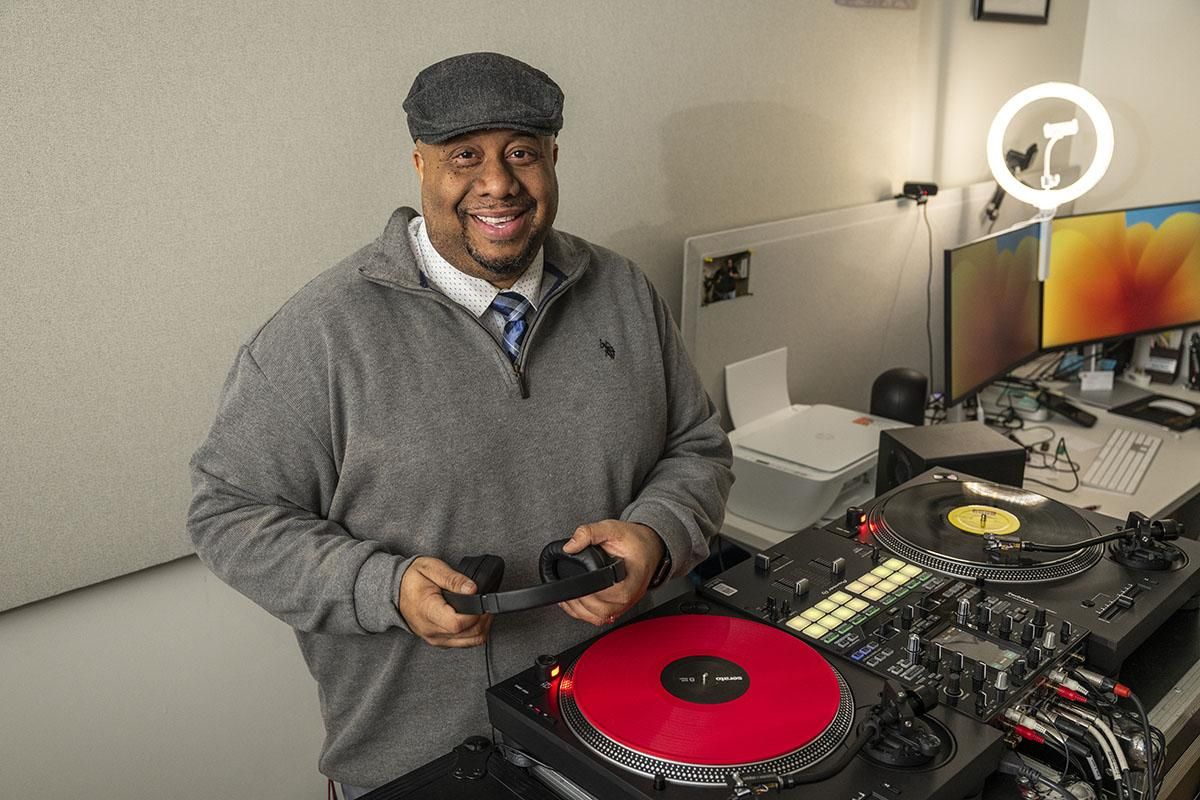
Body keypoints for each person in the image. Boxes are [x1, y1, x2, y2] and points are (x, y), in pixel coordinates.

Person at [187, 51, 732, 796]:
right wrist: (384, 587)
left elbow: (697, 446)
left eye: (522, 155)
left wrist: (660, 535)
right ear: (419, 164)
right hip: (430, 761)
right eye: (464, 156)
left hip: (636, 730)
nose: (498, 183)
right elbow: (228, 512)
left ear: (554, 160)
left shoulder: (625, 291)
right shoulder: (317, 334)